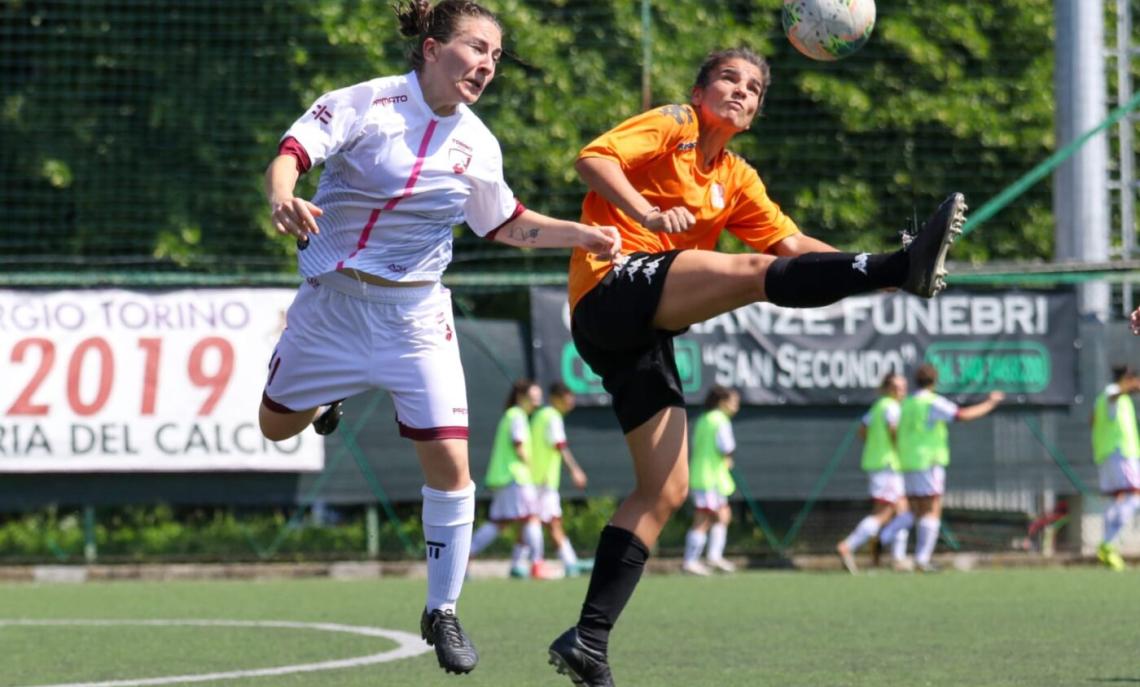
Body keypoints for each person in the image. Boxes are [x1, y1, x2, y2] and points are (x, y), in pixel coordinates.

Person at [546, 45, 967, 687]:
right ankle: (896, 265)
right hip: (610, 288)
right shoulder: (676, 124)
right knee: (750, 273)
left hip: (640, 335)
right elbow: (592, 159)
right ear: (699, 91)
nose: (742, 90)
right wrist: (648, 214)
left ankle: (588, 638)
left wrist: (878, 275)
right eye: (728, 79)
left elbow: (793, 247)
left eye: (754, 88)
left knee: (666, 490)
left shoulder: (737, 178)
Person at [256, 0, 620, 675]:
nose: (487, 65)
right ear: (431, 48)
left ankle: (442, 609)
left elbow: (503, 222)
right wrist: (283, 196)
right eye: (476, 47)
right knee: (275, 427)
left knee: (452, 466)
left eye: (496, 56)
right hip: (333, 305)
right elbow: (291, 154)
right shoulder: (367, 103)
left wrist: (580, 233)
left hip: (417, 317)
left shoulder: (478, 143)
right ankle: (328, 395)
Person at [897, 363, 1004, 573]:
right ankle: (921, 558)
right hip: (927, 461)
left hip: (908, 461)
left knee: (917, 510)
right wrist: (990, 403)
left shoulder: (907, 403)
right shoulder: (931, 401)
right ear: (935, 381)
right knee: (932, 507)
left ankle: (893, 546)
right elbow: (961, 415)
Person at [468, 379, 550, 578]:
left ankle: (464, 558)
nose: (537, 402)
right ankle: (537, 565)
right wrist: (534, 471)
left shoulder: (511, 415)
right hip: (516, 478)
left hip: (506, 479)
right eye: (533, 397)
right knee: (531, 517)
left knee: (499, 522)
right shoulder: (517, 416)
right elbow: (519, 445)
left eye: (539, 398)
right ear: (521, 397)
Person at [836, 373, 910, 573]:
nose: (901, 391)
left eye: (903, 387)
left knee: (902, 510)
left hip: (879, 465)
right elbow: (894, 431)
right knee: (885, 513)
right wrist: (903, 450)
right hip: (888, 466)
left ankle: (896, 558)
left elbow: (862, 430)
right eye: (897, 387)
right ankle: (848, 546)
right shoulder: (891, 407)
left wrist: (876, 445)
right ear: (887, 389)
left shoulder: (878, 406)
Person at [530, 382, 594, 577]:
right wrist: (575, 470)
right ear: (556, 398)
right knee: (548, 521)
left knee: (541, 522)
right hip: (543, 481)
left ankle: (565, 562)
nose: (571, 402)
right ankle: (564, 563)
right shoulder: (552, 417)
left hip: (534, 479)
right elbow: (560, 445)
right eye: (568, 397)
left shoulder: (540, 415)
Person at [682, 386, 740, 576]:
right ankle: (690, 561)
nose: (736, 406)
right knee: (703, 519)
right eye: (733, 402)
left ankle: (714, 556)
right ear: (722, 402)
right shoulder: (720, 420)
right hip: (709, 479)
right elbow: (726, 447)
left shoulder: (703, 420)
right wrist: (728, 458)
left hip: (709, 477)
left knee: (723, 515)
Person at [1090, 364, 1140, 571]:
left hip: (1106, 455)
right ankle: (1108, 543)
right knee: (1136, 497)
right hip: (1121, 454)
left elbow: (1092, 421)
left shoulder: (1101, 399)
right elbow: (1114, 394)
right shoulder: (1112, 393)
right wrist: (1127, 388)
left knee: (1117, 499)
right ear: (1126, 379)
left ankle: (1107, 546)